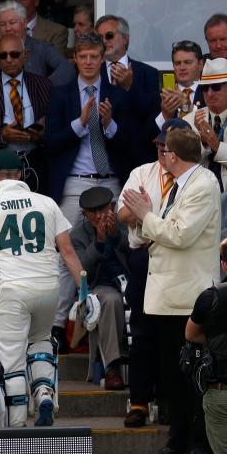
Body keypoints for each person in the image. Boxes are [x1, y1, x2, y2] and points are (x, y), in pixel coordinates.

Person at [0, 149, 84, 428]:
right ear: (21, 174)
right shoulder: (48, 203)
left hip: (12, 290)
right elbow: (67, 251)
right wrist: (84, 291)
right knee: (41, 342)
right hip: (48, 287)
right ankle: (43, 393)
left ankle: (17, 423)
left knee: (11, 359)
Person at [122, 127, 220, 454]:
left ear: (172, 155)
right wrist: (145, 220)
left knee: (189, 380)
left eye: (164, 151)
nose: (161, 156)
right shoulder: (179, 185)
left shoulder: (203, 184)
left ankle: (193, 444)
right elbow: (156, 233)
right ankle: (178, 441)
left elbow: (180, 235)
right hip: (166, 297)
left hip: (186, 298)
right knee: (173, 379)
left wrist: (144, 215)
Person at [46, 33, 135, 349]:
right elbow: (50, 142)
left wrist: (109, 125)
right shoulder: (61, 94)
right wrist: (80, 123)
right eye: (82, 56)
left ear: (103, 58)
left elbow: (132, 144)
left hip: (111, 181)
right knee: (67, 251)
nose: (88, 62)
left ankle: (123, 320)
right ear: (75, 59)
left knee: (122, 244)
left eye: (94, 56)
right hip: (76, 181)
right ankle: (58, 325)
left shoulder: (118, 94)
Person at [116, 118, 191, 428]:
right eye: (160, 145)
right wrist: (143, 212)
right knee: (143, 334)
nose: (163, 151)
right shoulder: (142, 173)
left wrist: (146, 214)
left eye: (168, 146)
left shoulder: (193, 180)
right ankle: (139, 402)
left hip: (177, 260)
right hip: (144, 257)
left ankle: (171, 401)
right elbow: (121, 214)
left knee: (174, 335)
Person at [0, 34, 51, 193]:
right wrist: (2, 135)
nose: (9, 59)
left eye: (15, 54)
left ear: (25, 55)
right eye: (3, 55)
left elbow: (55, 127)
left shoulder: (43, 84)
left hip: (34, 163)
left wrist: (41, 134)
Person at [70, 186, 129, 391]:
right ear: (85, 214)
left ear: (111, 207)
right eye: (91, 212)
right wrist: (99, 242)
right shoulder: (78, 234)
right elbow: (81, 269)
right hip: (99, 286)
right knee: (110, 300)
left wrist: (115, 236)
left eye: (102, 210)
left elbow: (136, 254)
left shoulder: (124, 223)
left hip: (129, 281)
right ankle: (112, 367)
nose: (97, 216)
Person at [95, 14, 161, 154]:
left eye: (109, 36)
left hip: (135, 157)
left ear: (125, 38)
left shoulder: (148, 73)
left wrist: (130, 87)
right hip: (100, 158)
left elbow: (151, 116)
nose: (104, 41)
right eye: (99, 38)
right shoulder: (91, 73)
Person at [0, 1, 72, 86]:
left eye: (12, 23)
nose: (8, 28)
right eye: (2, 24)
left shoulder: (41, 47)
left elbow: (66, 69)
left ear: (24, 23)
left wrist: (44, 86)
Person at [186, 261, 227, 454]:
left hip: (221, 391)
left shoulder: (210, 296)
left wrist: (214, 341)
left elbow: (191, 335)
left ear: (224, 265)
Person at [0, 0, 68, 57]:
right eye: (13, 0)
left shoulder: (56, 32)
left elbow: (57, 67)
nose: (17, 4)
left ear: (36, 0)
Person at [184, 58, 227, 189]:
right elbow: (182, 163)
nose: (209, 93)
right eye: (204, 87)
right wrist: (202, 144)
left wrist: (216, 145)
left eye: (215, 87)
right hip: (201, 195)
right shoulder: (189, 120)